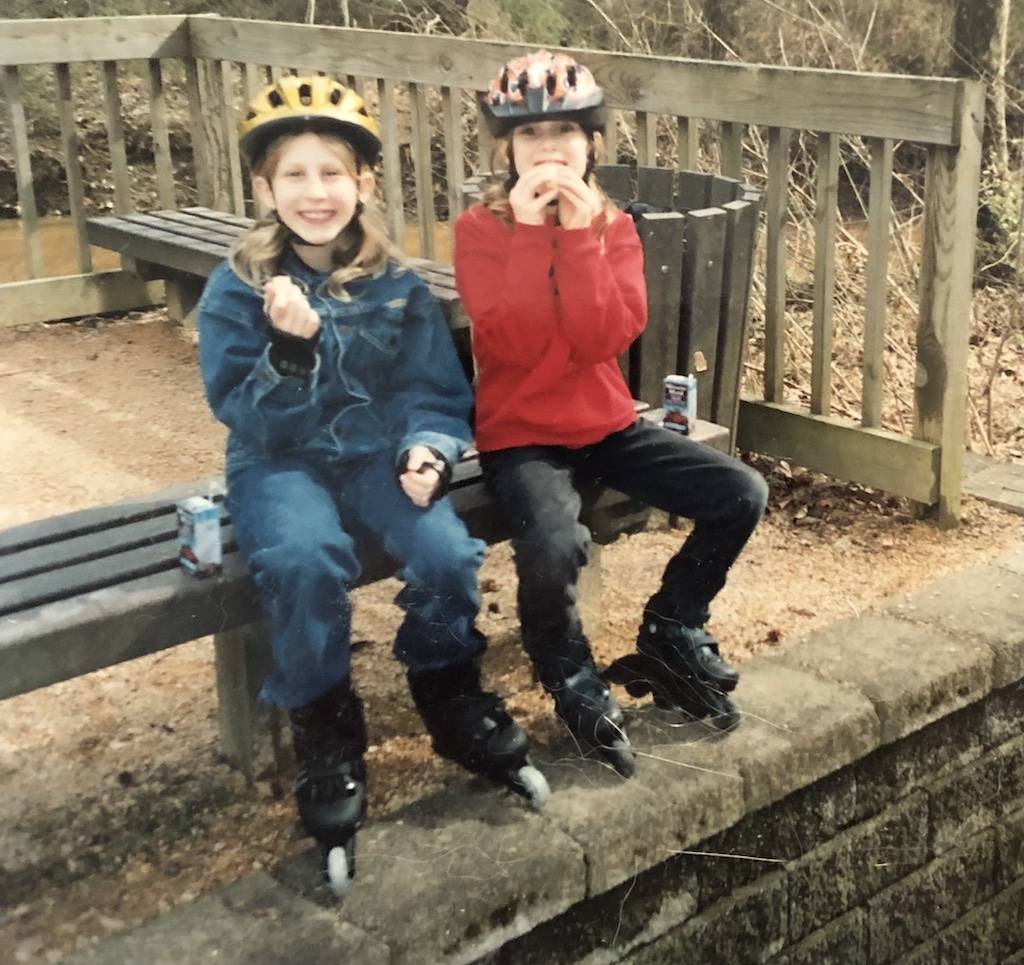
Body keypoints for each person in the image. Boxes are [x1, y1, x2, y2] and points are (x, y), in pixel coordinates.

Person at [198, 75, 548, 896]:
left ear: (363, 183)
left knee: (446, 549)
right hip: (279, 460)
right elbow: (245, 416)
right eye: (295, 175)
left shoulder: (394, 283)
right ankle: (325, 720)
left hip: (376, 456)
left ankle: (446, 688)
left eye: (333, 174)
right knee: (305, 558)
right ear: (264, 188)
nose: (315, 193)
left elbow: (432, 391)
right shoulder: (238, 288)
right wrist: (289, 352)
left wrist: (427, 449)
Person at [454, 50, 769, 778]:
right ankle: (568, 673)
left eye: (565, 132)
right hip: (522, 435)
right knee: (554, 543)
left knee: (739, 494)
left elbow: (604, 337)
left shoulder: (615, 227)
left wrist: (575, 234)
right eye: (529, 136)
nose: (549, 150)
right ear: (506, 148)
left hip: (607, 423)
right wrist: (535, 236)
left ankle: (672, 625)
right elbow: (510, 342)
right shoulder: (480, 230)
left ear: (593, 143)